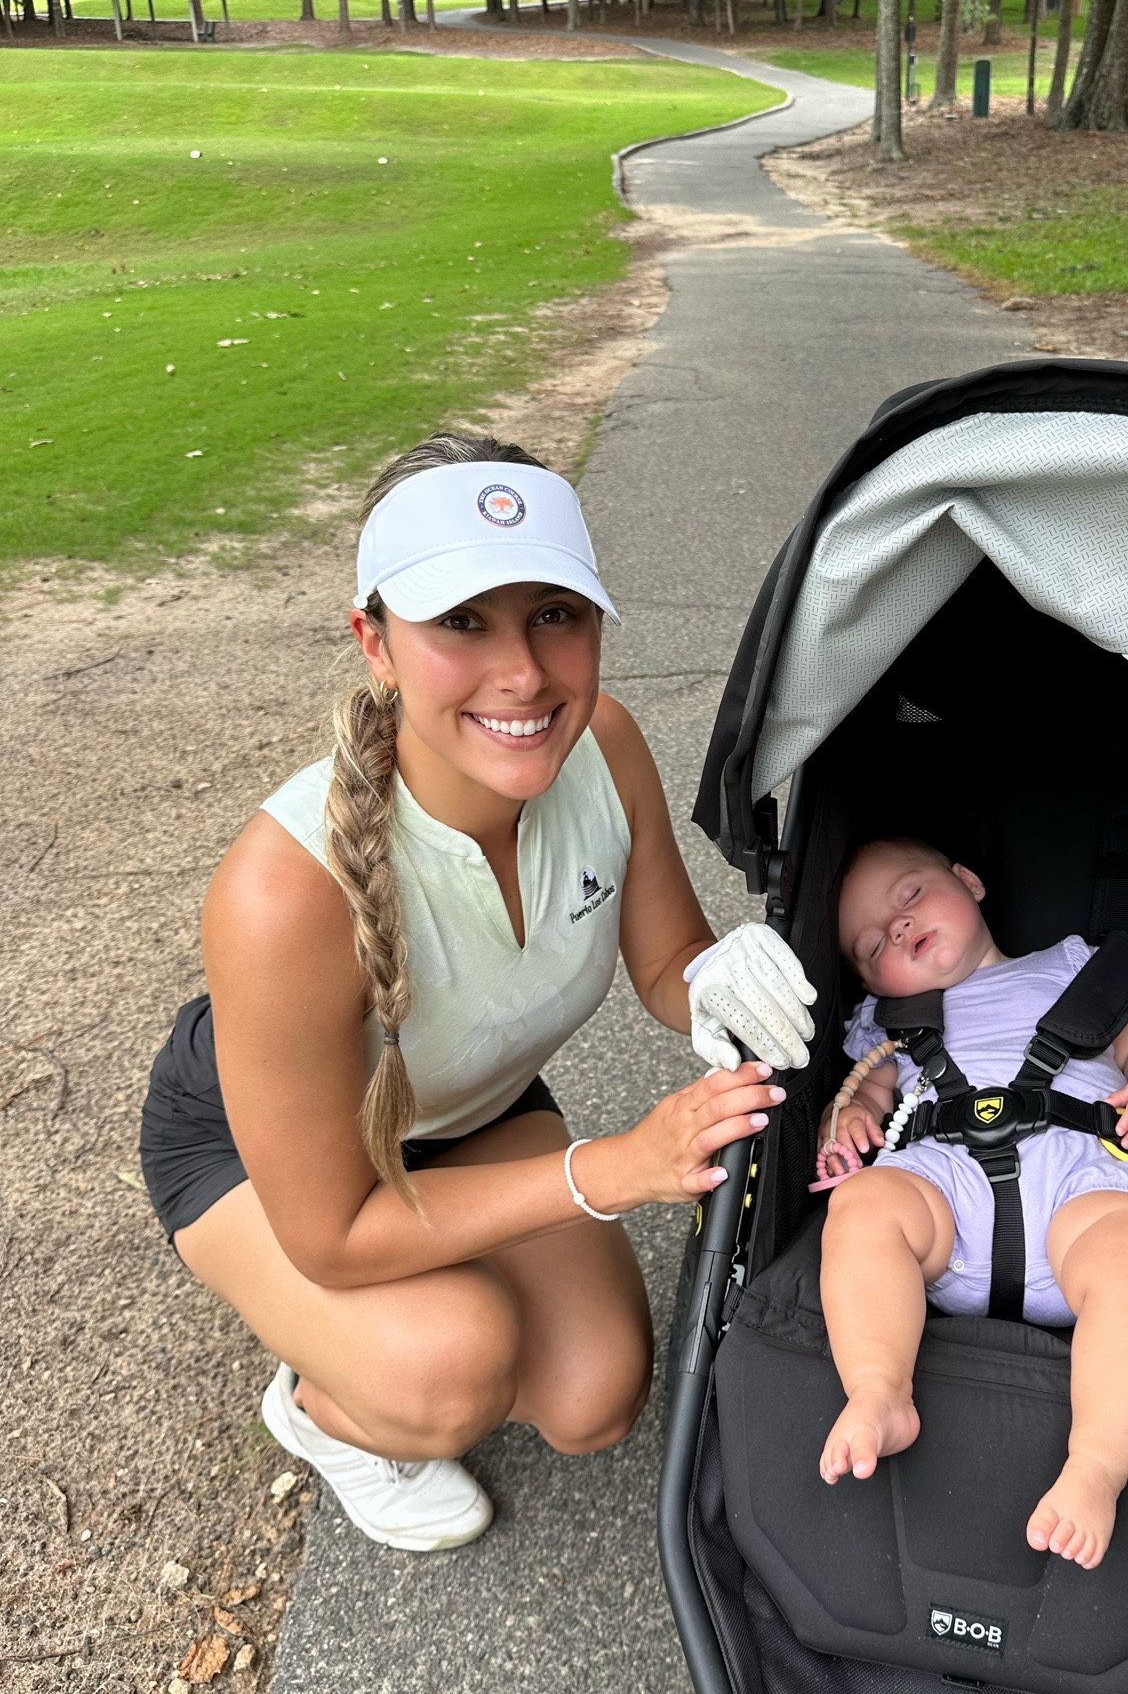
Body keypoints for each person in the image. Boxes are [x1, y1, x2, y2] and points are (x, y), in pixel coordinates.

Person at [139, 433, 816, 1552]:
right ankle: (323, 1409)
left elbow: (662, 955)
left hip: (466, 1104)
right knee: (453, 1360)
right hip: (275, 1160)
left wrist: (710, 972)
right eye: (462, 621)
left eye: (556, 612)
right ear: (377, 643)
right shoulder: (281, 890)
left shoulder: (603, 741)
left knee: (595, 1395)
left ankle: (407, 1317)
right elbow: (337, 1230)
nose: (525, 673)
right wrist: (609, 1169)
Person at [816, 837, 1128, 1571]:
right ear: (869, 979)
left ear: (969, 880)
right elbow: (865, 1092)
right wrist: (853, 1117)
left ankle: (1097, 1466)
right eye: (871, 944)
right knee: (862, 1207)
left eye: (911, 896)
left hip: (1079, 1186)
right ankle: (879, 1390)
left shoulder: (1073, 968)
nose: (896, 928)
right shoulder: (891, 1023)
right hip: (944, 1199)